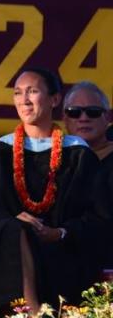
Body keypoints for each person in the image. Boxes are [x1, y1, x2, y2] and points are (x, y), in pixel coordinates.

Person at [0, 68, 99, 314]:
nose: (24, 100)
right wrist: (12, 225)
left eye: (32, 91)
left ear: (54, 99)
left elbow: (96, 217)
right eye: (18, 93)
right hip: (2, 253)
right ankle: (32, 310)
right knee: (12, 229)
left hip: (60, 253)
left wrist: (59, 233)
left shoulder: (78, 155)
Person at [62, 81, 113, 274]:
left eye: (92, 112)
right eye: (75, 112)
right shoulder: (52, 160)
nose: (83, 118)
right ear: (65, 118)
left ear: (107, 117)